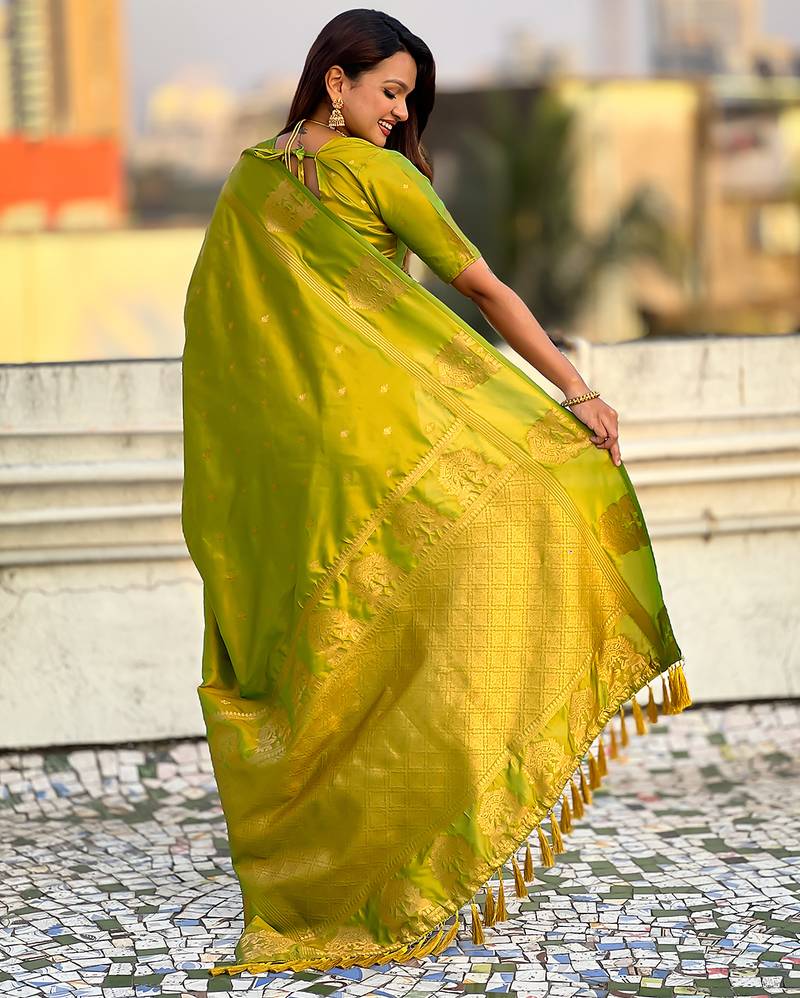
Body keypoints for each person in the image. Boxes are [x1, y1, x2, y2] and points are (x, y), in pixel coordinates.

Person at [181, 7, 691, 977]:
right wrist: (575, 391)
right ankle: (395, 875)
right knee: (417, 640)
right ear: (335, 81)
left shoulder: (251, 179)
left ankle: (318, 881)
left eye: (408, 99)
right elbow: (484, 290)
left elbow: (215, 333)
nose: (397, 114)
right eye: (389, 91)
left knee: (323, 670)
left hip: (292, 473)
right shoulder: (378, 176)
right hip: (386, 457)